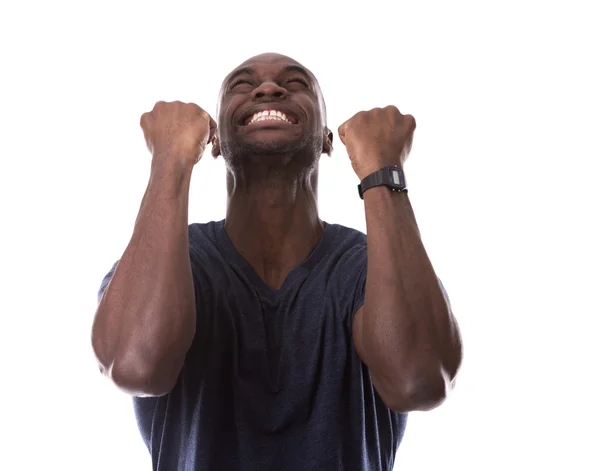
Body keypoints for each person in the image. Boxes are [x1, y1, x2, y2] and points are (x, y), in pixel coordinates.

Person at [92, 52, 463, 471]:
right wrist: (170, 160)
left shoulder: (373, 266)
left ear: (327, 139)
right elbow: (136, 364)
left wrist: (382, 169)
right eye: (242, 85)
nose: (269, 89)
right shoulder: (173, 259)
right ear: (212, 141)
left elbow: (420, 380)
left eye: (297, 83)